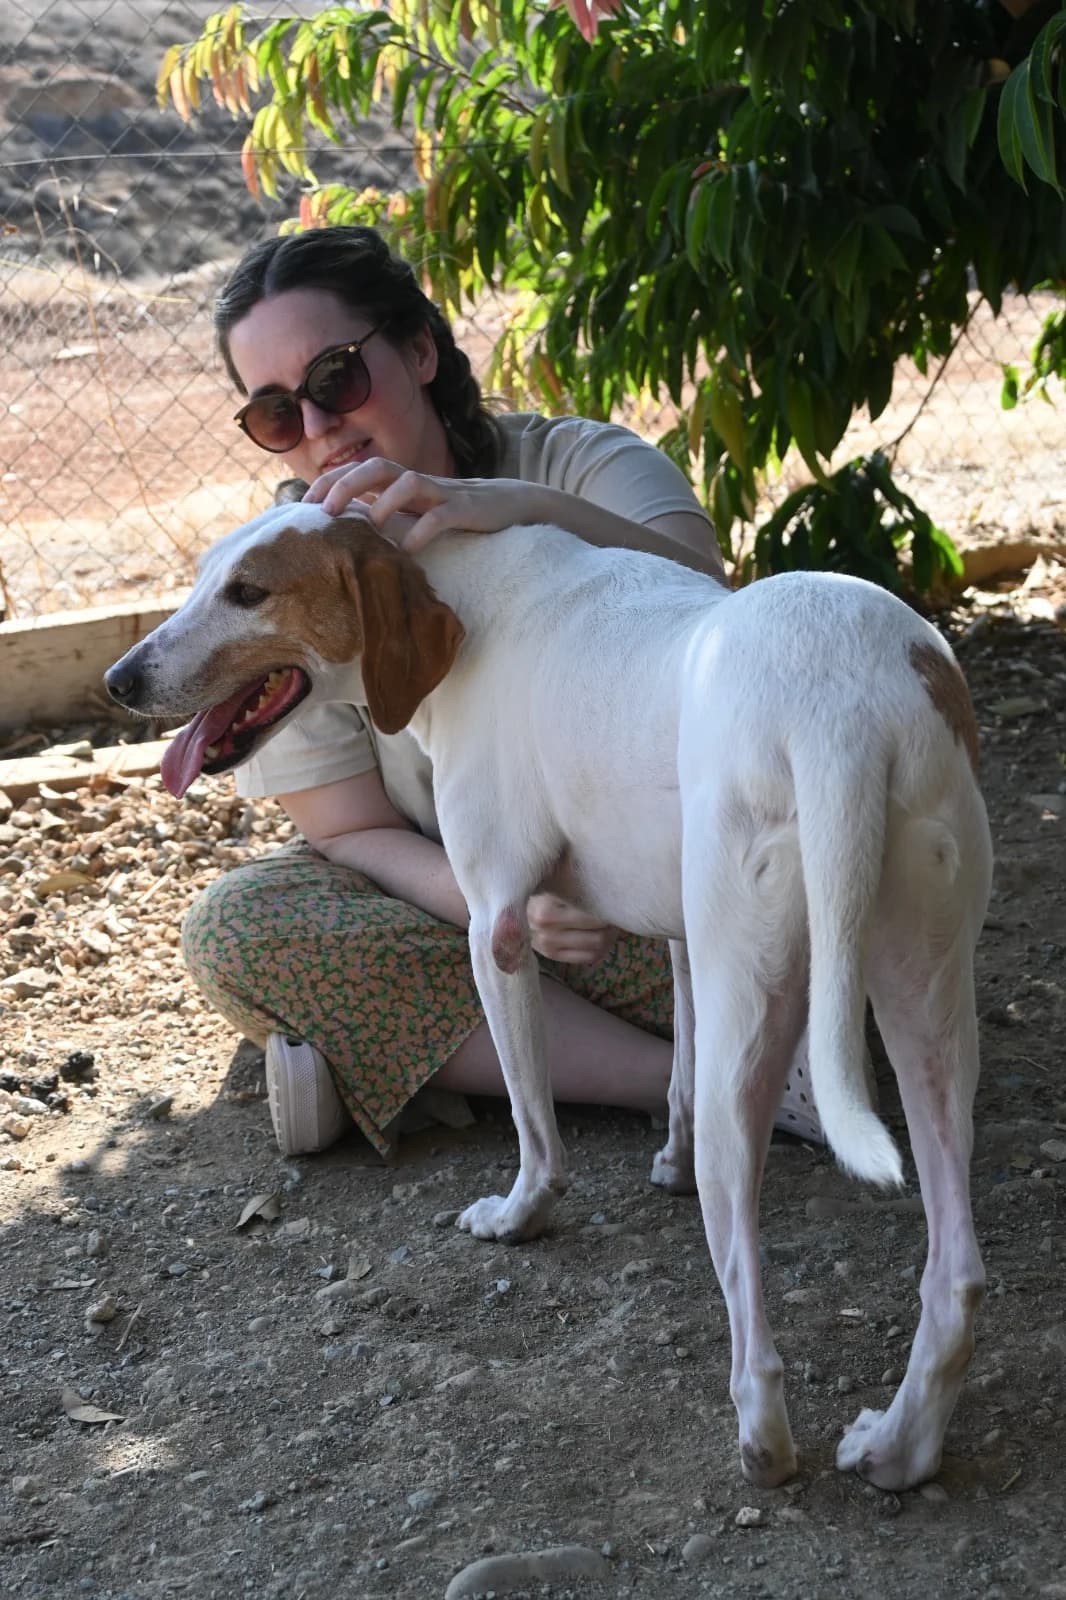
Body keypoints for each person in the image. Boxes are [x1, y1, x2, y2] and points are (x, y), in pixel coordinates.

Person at [182, 224, 824, 1157]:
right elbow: (348, 828)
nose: (318, 429)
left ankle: (399, 1060)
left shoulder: (578, 466)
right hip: (484, 901)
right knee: (240, 927)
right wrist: (508, 905)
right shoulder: (284, 570)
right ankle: (699, 1081)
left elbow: (725, 627)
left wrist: (525, 509)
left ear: (419, 351)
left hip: (658, 878)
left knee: (778, 903)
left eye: (336, 379)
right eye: (278, 413)